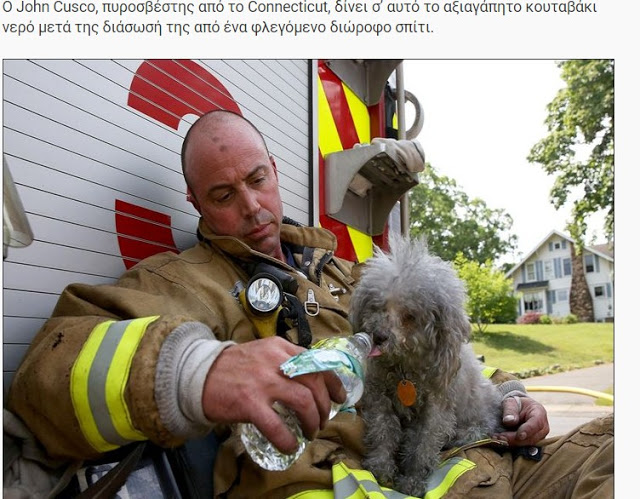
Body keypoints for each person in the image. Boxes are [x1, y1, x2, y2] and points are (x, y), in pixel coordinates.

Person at [7, 110, 613, 498]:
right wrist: (199, 370)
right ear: (195, 203)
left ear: (276, 172)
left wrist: (510, 398)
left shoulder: (351, 270)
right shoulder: (181, 282)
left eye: (257, 180)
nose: (250, 207)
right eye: (222, 194)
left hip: (497, 457)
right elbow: (45, 376)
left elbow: (447, 357)